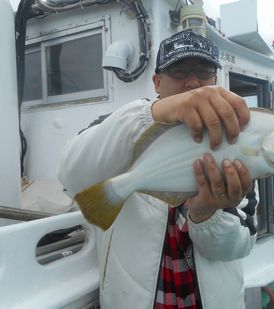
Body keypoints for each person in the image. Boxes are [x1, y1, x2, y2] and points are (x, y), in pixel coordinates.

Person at [58, 29, 258, 309]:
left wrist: (206, 214)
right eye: (178, 71)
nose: (192, 83)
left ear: (216, 80)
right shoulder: (120, 128)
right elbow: (69, 172)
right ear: (156, 82)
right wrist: (150, 115)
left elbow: (239, 246)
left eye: (203, 72)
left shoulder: (235, 144)